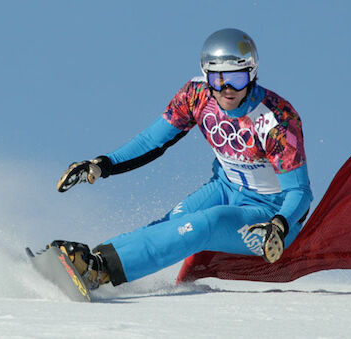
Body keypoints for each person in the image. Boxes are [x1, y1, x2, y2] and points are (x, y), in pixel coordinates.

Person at [52, 28, 313, 290]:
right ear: (205, 74)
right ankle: (92, 262)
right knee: (173, 224)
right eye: (217, 78)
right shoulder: (196, 95)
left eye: (236, 77)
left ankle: (100, 271)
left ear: (252, 73)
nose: (227, 88)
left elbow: (300, 191)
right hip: (226, 188)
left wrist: (279, 224)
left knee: (206, 224)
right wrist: (103, 164)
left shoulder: (276, 119)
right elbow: (151, 141)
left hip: (269, 215)